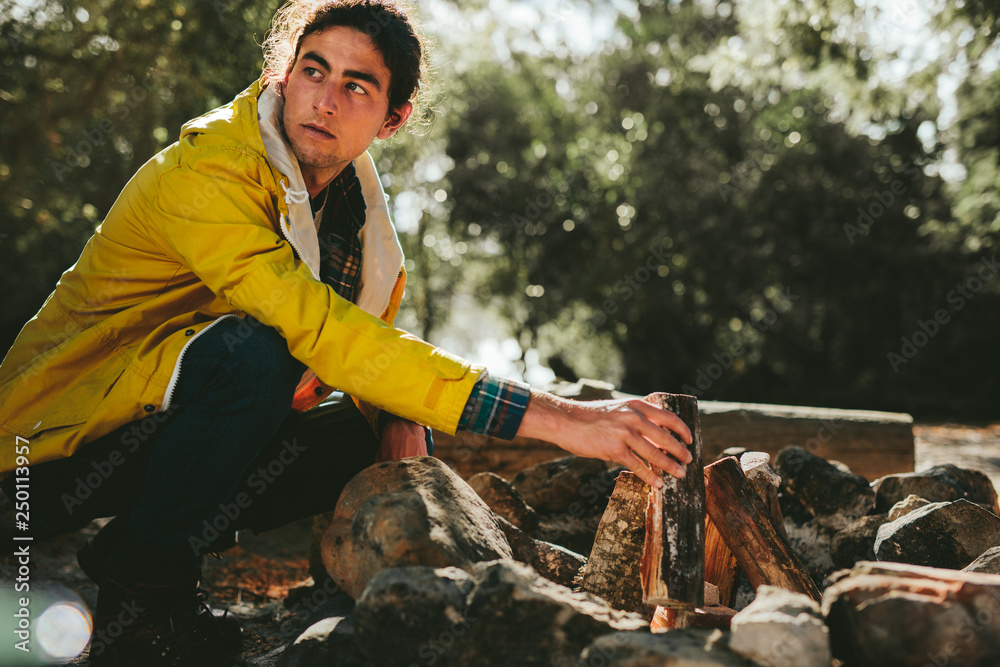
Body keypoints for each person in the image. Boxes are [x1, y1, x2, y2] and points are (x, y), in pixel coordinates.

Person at [0, 1, 693, 664]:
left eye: (355, 86)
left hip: (135, 432)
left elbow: (365, 336)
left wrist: (393, 413)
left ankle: (145, 563)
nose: (324, 100)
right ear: (283, 75)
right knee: (259, 355)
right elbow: (319, 328)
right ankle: (145, 592)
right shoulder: (212, 167)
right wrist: (563, 420)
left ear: (392, 120)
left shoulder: (351, 202)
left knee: (355, 437)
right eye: (313, 70)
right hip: (38, 458)